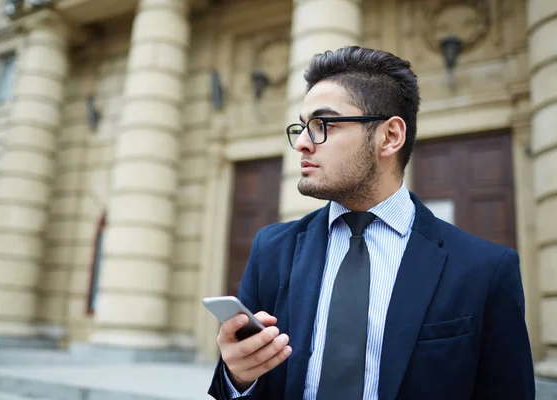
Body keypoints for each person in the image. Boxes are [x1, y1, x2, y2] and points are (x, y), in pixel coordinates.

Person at [208, 46, 535, 400]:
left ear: (390, 136)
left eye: (322, 125)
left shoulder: (485, 269)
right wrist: (238, 378)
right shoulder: (272, 249)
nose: (302, 143)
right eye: (301, 127)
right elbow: (240, 385)